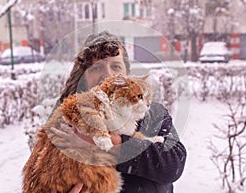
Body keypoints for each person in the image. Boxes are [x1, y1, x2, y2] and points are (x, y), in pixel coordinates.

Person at [50, 30, 187, 193]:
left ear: (127, 73)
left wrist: (118, 144)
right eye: (96, 67)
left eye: (115, 66)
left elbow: (173, 164)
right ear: (83, 77)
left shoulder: (152, 113)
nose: (107, 75)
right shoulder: (67, 120)